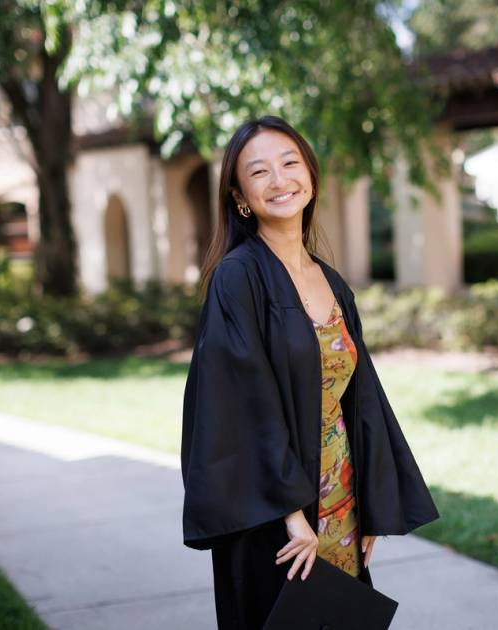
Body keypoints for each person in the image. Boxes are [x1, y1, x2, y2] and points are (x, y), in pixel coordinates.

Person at [181, 115, 439, 629]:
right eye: (259, 173)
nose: (279, 181)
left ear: (311, 175)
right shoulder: (238, 278)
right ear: (239, 196)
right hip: (274, 510)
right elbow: (243, 405)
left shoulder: (332, 281)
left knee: (335, 620)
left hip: (339, 491)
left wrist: (371, 504)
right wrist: (291, 514)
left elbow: (362, 398)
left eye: (290, 163)